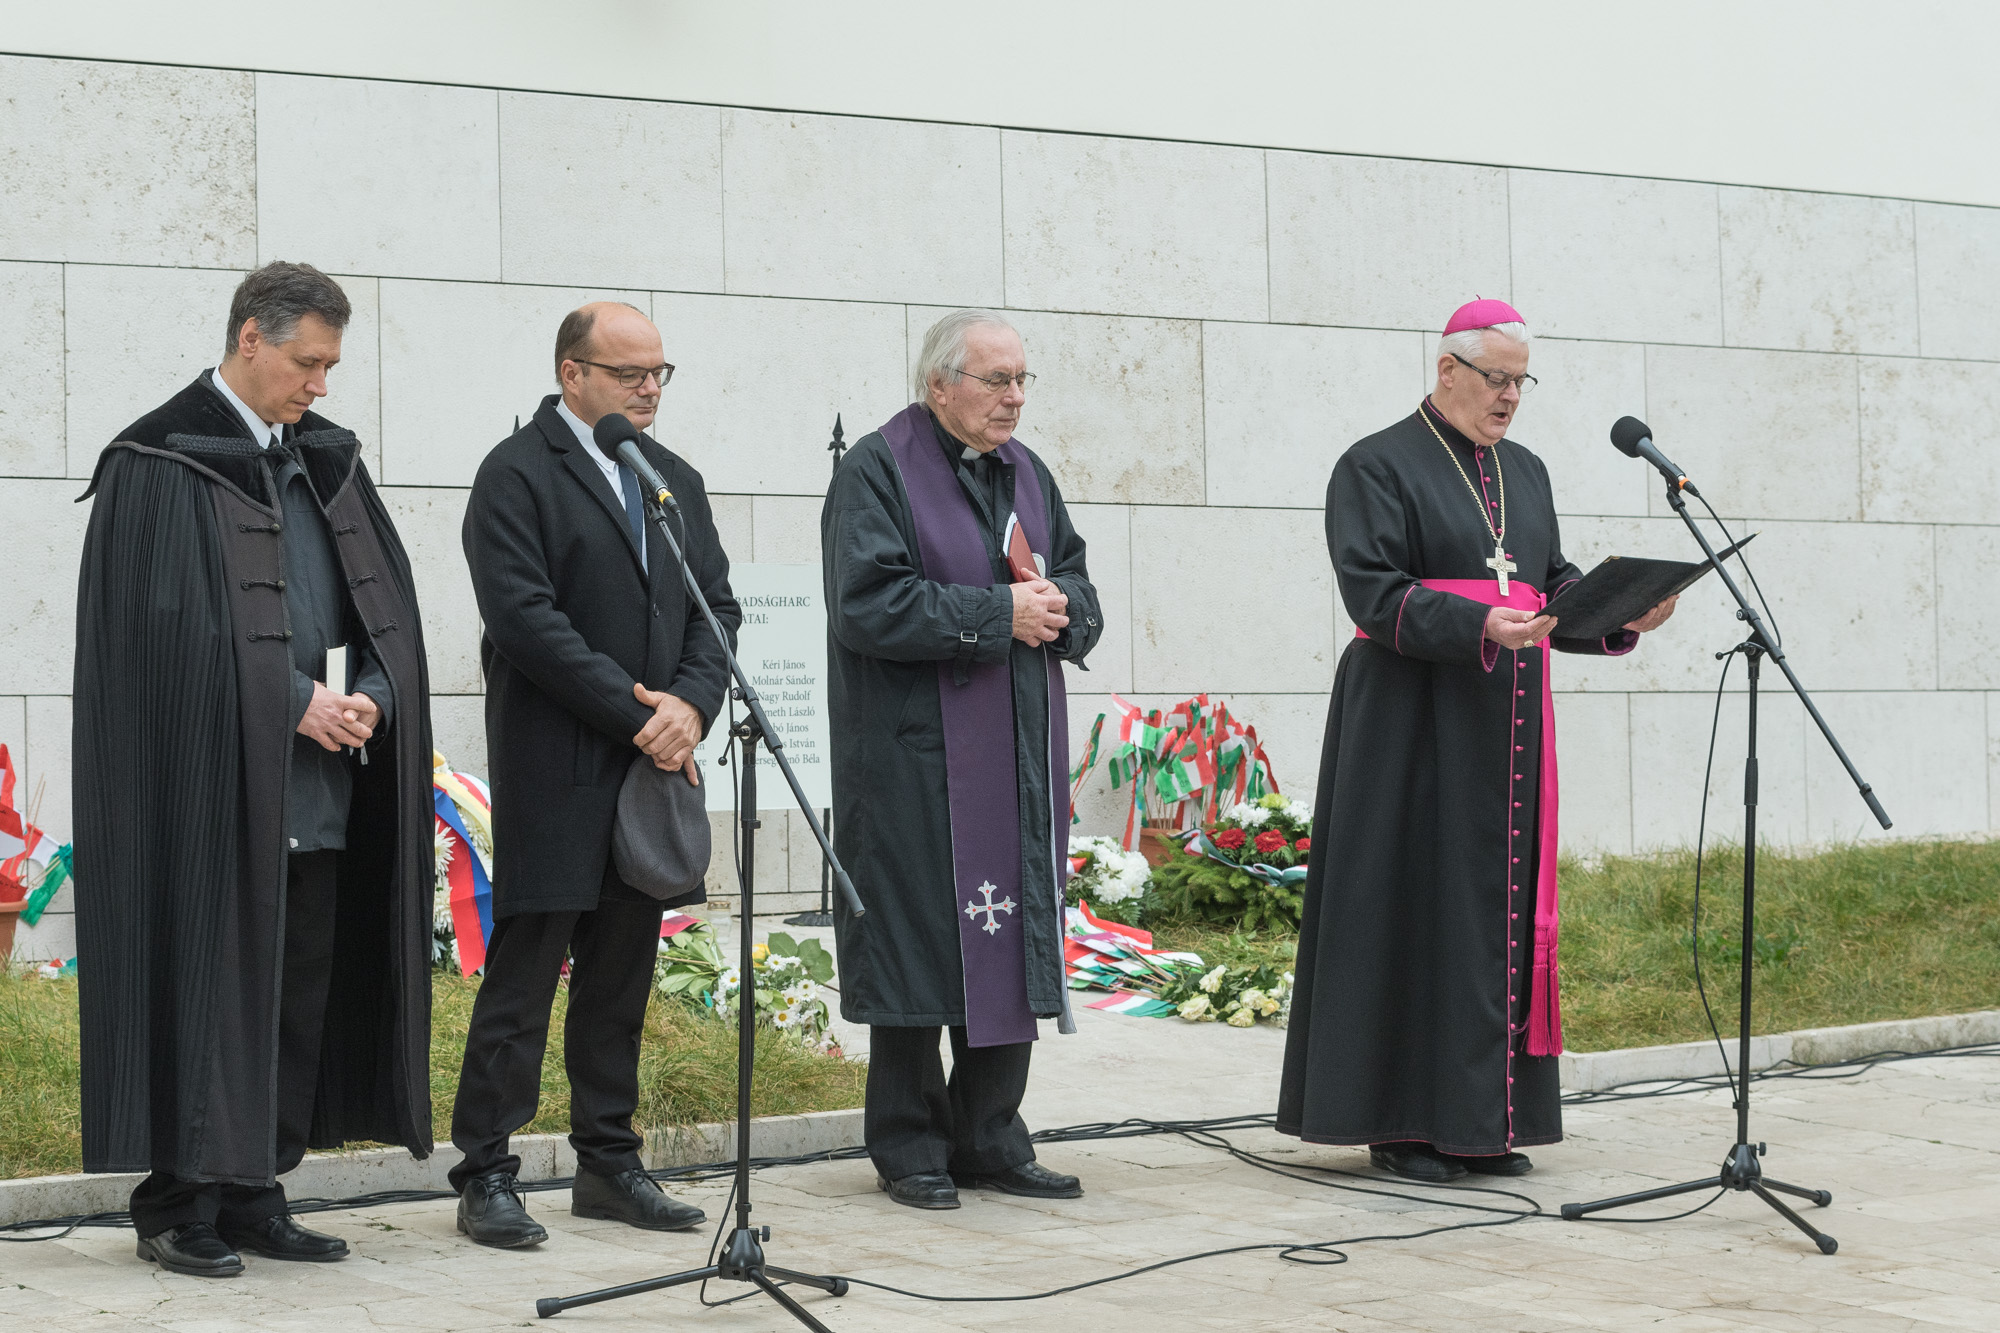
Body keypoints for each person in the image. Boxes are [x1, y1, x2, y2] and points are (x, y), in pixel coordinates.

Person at [73, 262, 436, 1277]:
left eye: (330, 364)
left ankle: (255, 1190)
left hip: (315, 790)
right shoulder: (163, 458)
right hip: (208, 795)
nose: (320, 384)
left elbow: (385, 611)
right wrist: (290, 701)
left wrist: (375, 690)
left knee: (293, 997)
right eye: (306, 361)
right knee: (208, 989)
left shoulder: (321, 463)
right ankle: (175, 1200)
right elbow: (160, 640)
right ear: (249, 340)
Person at [1277, 299, 1678, 1183]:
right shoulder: (1375, 462)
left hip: (1505, 725)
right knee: (1414, 902)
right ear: (1446, 368)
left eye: (1520, 380)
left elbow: (1551, 586)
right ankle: (1404, 1123)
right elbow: (1372, 592)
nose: (1509, 397)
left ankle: (1482, 1121)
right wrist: (1478, 624)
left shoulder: (1526, 471)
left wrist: (1623, 612)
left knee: (1491, 913)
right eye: (1495, 377)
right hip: (1409, 720)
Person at [452, 302, 739, 1246]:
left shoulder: (672, 481)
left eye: (660, 371)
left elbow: (716, 609)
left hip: (649, 775)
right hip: (558, 769)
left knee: (622, 978)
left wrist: (693, 705)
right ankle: (486, 1169)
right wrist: (643, 714)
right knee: (525, 979)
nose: (649, 387)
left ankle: (609, 1163)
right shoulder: (517, 473)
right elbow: (527, 621)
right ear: (573, 374)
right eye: (629, 374)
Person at [821, 309, 1103, 1210]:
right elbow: (866, 604)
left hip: (1015, 759)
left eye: (1022, 380)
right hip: (912, 763)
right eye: (996, 380)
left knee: (1008, 937)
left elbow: (1078, 580)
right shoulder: (876, 468)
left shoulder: (1028, 473)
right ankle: (909, 1142)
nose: (1014, 398)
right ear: (939, 383)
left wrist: (1065, 605)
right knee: (918, 945)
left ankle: (991, 1135)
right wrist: (997, 616)